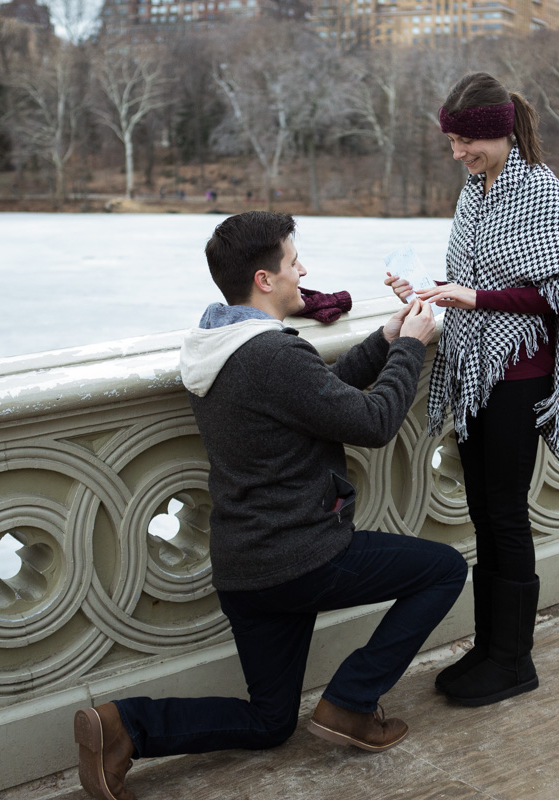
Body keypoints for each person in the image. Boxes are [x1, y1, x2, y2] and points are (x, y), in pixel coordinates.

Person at [75, 211, 467, 800]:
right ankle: (352, 702)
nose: (302, 270)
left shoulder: (221, 344)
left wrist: (385, 339)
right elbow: (373, 421)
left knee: (270, 721)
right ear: (264, 279)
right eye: (292, 261)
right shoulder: (273, 356)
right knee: (444, 570)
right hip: (305, 557)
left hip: (245, 567)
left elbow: (317, 395)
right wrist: (412, 348)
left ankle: (125, 724)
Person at [385, 72, 559, 708]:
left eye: (466, 143)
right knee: (484, 512)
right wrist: (426, 290)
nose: (457, 154)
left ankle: (514, 660)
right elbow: (471, 276)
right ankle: (490, 646)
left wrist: (474, 296)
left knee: (506, 515)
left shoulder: (538, 188)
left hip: (518, 379)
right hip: (475, 375)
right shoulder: (475, 191)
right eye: (452, 143)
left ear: (498, 131)